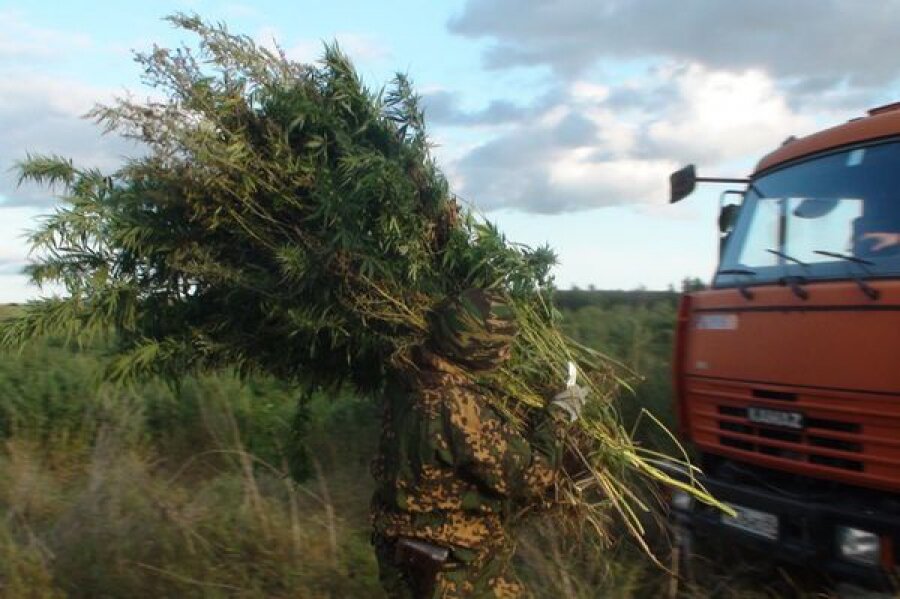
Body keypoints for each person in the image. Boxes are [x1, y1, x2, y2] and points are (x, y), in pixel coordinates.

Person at [370, 288, 587, 598]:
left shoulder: (407, 375)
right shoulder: (457, 405)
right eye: (501, 348)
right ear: (475, 349)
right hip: (453, 572)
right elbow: (531, 477)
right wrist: (558, 417)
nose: (508, 355)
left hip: (403, 555)